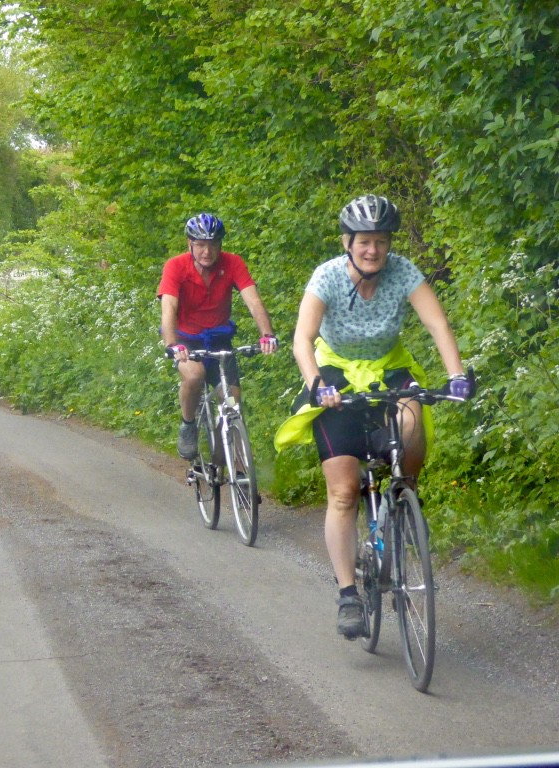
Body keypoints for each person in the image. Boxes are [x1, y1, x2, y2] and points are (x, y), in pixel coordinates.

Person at [275, 194, 471, 640]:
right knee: (343, 490)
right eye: (364, 241)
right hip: (336, 376)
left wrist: (456, 375)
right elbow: (302, 339)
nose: (373, 250)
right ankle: (348, 594)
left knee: (411, 421)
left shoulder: (402, 272)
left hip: (388, 368)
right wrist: (316, 385)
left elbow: (437, 324)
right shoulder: (325, 276)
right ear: (348, 241)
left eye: (380, 241)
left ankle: (405, 493)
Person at [158, 212, 278, 461]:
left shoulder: (232, 263)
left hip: (219, 337)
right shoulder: (176, 266)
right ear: (190, 244)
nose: (207, 251)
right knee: (194, 375)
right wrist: (172, 343)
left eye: (213, 244)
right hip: (186, 339)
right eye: (200, 244)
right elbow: (168, 307)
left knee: (232, 402)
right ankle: (188, 424)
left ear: (221, 244)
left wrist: (267, 335)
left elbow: (253, 301)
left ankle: (236, 465)